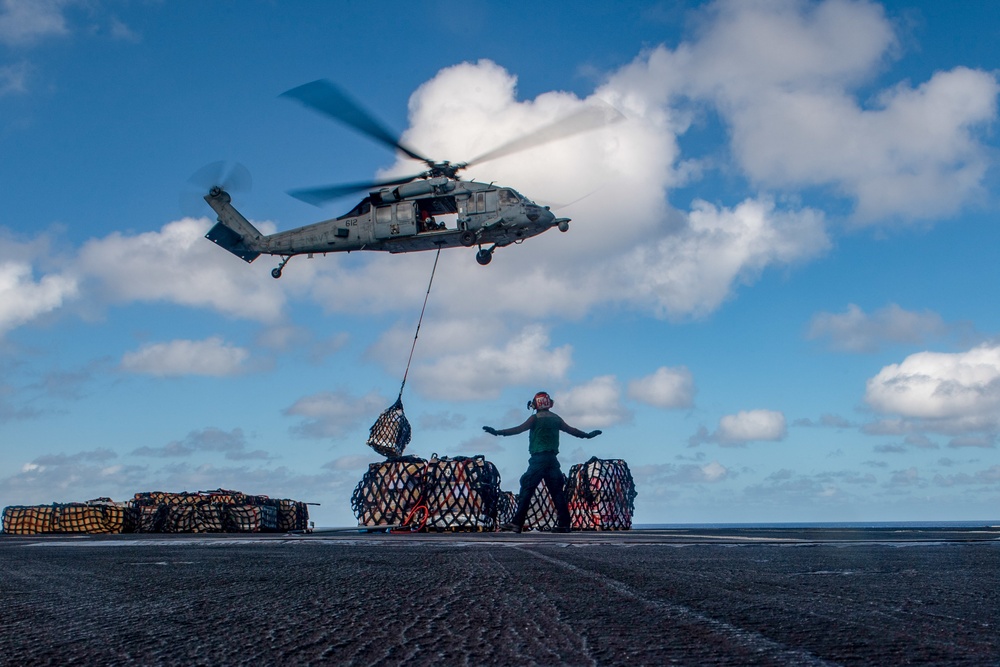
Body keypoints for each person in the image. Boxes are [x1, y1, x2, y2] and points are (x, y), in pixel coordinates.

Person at [483, 391, 601, 533]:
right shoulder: (556, 418)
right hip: (552, 460)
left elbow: (517, 429)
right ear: (549, 403)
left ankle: (517, 523)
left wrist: (497, 432)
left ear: (536, 404)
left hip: (538, 460)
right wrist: (588, 435)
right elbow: (573, 431)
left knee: (526, 489)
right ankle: (564, 524)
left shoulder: (535, 418)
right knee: (557, 492)